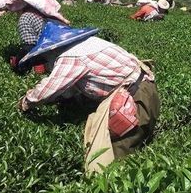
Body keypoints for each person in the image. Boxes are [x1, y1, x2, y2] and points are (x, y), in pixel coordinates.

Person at [17, 35, 160, 171]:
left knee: (110, 159)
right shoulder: (88, 44)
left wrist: (25, 103)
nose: (47, 63)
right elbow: (72, 87)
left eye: (44, 57)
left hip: (133, 101)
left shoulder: (70, 57)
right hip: (147, 90)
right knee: (137, 145)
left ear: (52, 50)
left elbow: (46, 90)